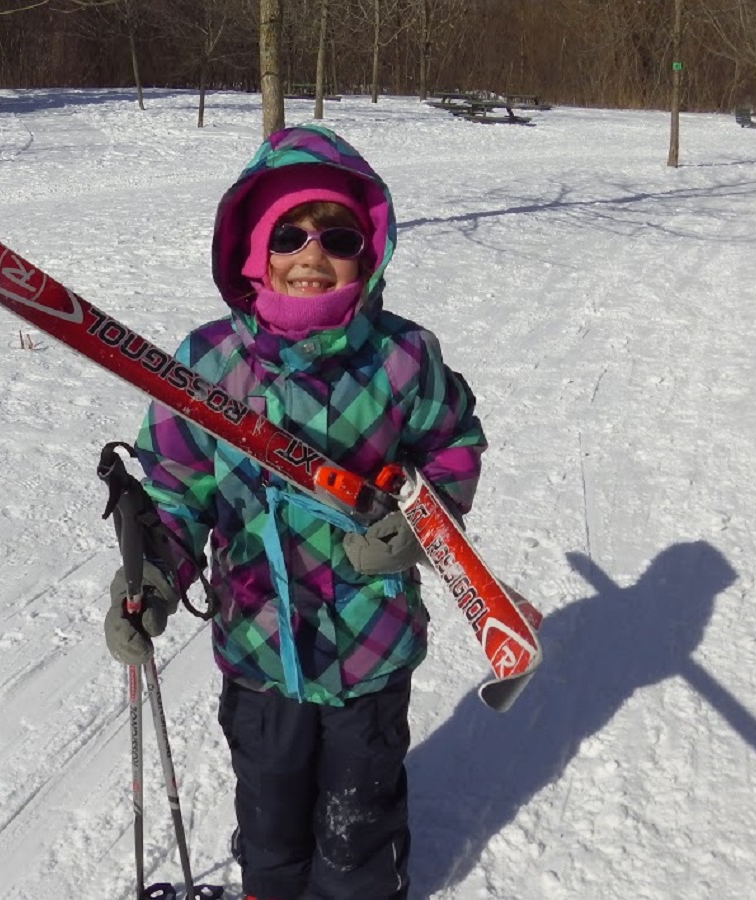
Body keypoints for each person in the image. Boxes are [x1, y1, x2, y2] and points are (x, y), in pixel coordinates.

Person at [104, 123, 487, 900]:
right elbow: (178, 492)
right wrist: (152, 578)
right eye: (289, 233)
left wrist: (418, 525)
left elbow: (453, 445)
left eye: (337, 236)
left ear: (368, 251)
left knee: (358, 829)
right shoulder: (209, 365)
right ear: (255, 248)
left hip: (369, 646)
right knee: (271, 819)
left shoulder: (403, 357)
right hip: (259, 646)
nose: (313, 255)